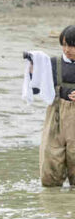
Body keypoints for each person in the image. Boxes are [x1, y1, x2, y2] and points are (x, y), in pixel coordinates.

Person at [35, 26, 75, 187]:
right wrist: (33, 72)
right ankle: (53, 208)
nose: (67, 50)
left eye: (72, 45)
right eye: (64, 45)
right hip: (56, 118)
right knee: (51, 157)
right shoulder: (53, 63)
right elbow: (37, 89)